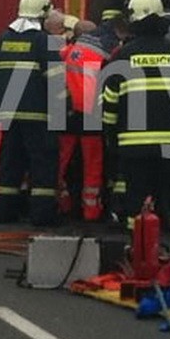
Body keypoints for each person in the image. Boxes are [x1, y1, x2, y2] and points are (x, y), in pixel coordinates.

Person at [102, 0, 170, 285]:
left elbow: (109, 107)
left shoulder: (122, 57)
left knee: (136, 210)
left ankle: (142, 268)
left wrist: (113, 142)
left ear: (134, 20)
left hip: (135, 152)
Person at [0, 0, 61, 227]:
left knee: (10, 163)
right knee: (42, 165)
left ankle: (5, 212)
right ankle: (42, 216)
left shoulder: (1, 40)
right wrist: (64, 113)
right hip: (39, 117)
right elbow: (57, 83)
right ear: (42, 15)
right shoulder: (44, 42)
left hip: (6, 117)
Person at [58, 20, 106, 221]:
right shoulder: (102, 56)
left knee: (61, 163)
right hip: (91, 117)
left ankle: (61, 205)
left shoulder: (64, 53)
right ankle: (91, 211)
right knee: (92, 166)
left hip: (67, 116)